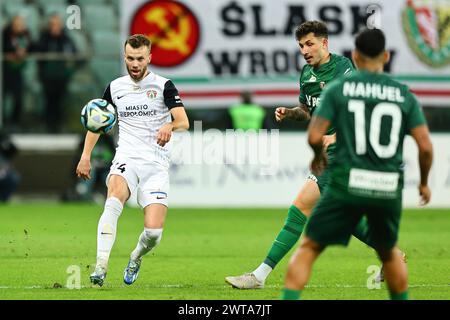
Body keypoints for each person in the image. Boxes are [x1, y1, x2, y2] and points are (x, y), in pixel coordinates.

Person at [225, 20, 404, 289]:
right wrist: (290, 112)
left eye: (310, 43)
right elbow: (307, 111)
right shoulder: (306, 74)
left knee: (299, 210)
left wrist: (338, 135)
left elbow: (357, 108)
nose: (305, 50)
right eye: (300, 45)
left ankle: (259, 276)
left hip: (344, 153)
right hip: (328, 156)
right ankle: (393, 255)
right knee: (347, 219)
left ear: (324, 43)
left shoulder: (342, 67)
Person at [281, 28, 433, 300]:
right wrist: (423, 183)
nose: (304, 50)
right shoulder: (403, 94)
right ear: (386, 56)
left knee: (309, 247)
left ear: (354, 56)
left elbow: (315, 134)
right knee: (388, 251)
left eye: (309, 44)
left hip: (350, 172)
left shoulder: (342, 88)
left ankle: (273, 285)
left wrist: (318, 155)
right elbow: (425, 145)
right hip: (387, 182)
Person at [76, 34, 189, 287]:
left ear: (149, 57)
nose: (135, 63)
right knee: (113, 199)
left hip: (156, 165)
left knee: (153, 233)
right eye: (130, 58)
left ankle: (136, 257)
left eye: (139, 58)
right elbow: (96, 122)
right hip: (126, 157)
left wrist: (170, 126)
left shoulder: (164, 85)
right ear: (124, 57)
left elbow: (184, 121)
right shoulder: (115, 88)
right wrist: (85, 156)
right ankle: (100, 267)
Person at [36, 13, 77, 133]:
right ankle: (48, 126)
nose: (55, 27)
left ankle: (60, 126)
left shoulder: (66, 39)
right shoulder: (44, 38)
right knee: (49, 101)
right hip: (47, 77)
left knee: (61, 101)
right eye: (53, 25)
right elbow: (39, 53)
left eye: (57, 24)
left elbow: (74, 53)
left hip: (62, 76)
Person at [2, 15, 32, 129]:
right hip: (5, 71)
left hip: (18, 71)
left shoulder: (26, 35)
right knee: (3, 97)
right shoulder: (5, 34)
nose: (20, 27)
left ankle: (16, 122)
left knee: (18, 96)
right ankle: (3, 122)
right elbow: (4, 47)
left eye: (21, 24)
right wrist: (10, 53)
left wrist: (25, 51)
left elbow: (33, 46)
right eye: (17, 24)